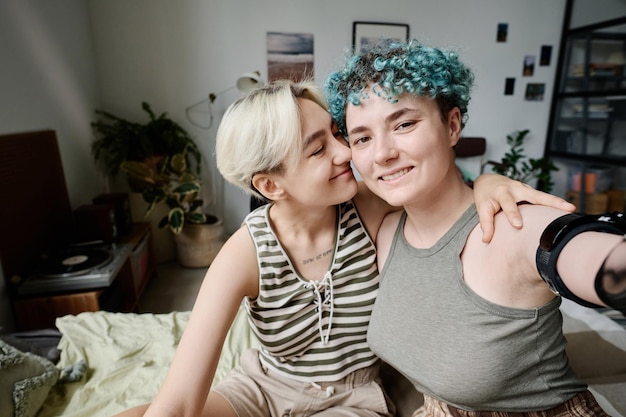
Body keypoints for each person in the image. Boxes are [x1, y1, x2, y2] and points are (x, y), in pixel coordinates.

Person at [113, 80, 576, 417]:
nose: (344, 152)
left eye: (337, 134)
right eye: (318, 150)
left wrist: (488, 182)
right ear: (270, 184)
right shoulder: (245, 252)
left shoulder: (369, 207)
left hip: (353, 398)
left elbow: (441, 203)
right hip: (263, 388)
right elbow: (179, 399)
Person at [325, 39, 626, 417]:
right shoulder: (384, 231)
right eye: (363, 138)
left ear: (452, 126)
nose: (382, 153)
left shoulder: (514, 224)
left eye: (404, 124)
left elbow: (597, 259)